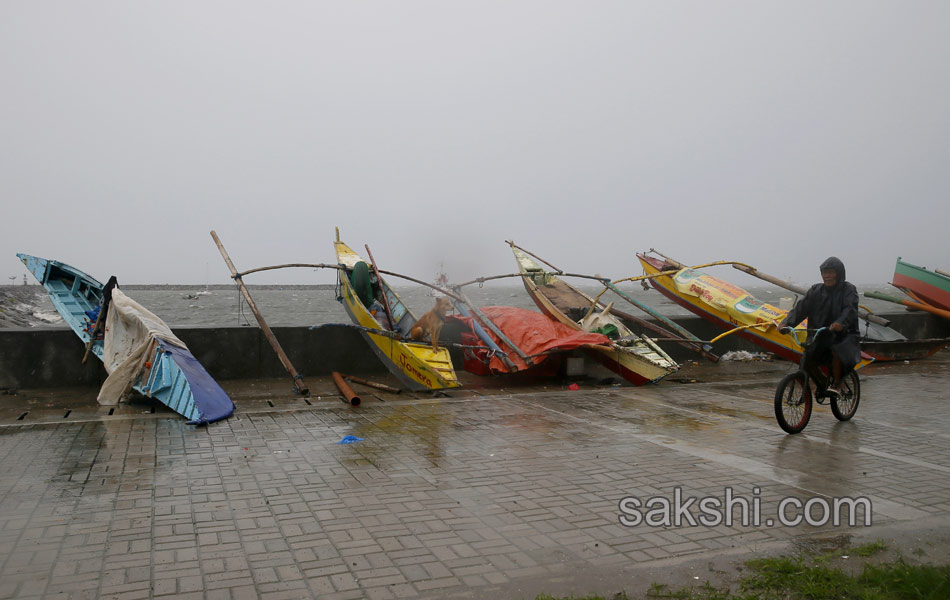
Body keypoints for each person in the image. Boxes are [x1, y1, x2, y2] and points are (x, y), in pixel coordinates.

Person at [777, 257, 861, 395]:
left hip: (844, 335)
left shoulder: (848, 290)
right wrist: (786, 323)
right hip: (819, 333)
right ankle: (822, 382)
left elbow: (850, 309)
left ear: (839, 273)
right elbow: (801, 308)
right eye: (824, 273)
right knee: (808, 356)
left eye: (831, 272)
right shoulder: (816, 290)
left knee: (837, 350)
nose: (827, 276)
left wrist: (840, 323)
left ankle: (837, 384)